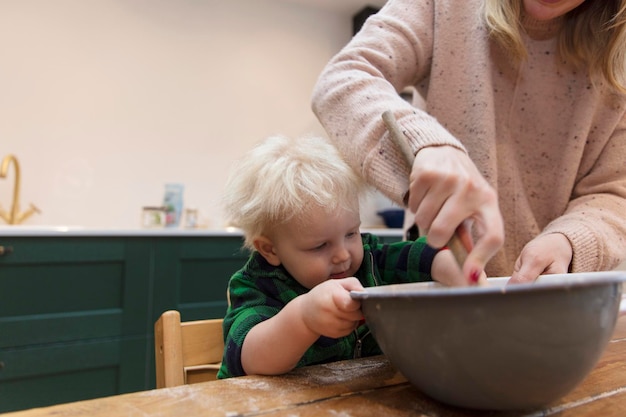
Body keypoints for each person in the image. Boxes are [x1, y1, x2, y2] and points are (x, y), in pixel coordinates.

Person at [311, 0, 626, 284]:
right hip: (440, 300)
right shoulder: (448, 7)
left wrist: (569, 241)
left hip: (555, 308)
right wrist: (425, 143)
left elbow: (614, 192)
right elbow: (344, 79)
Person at [216, 134, 464, 378]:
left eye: (351, 233)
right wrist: (303, 318)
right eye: (320, 246)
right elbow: (247, 358)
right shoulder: (256, 286)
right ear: (270, 250)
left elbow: (417, 257)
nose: (343, 254)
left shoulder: (369, 260)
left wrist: (447, 263)